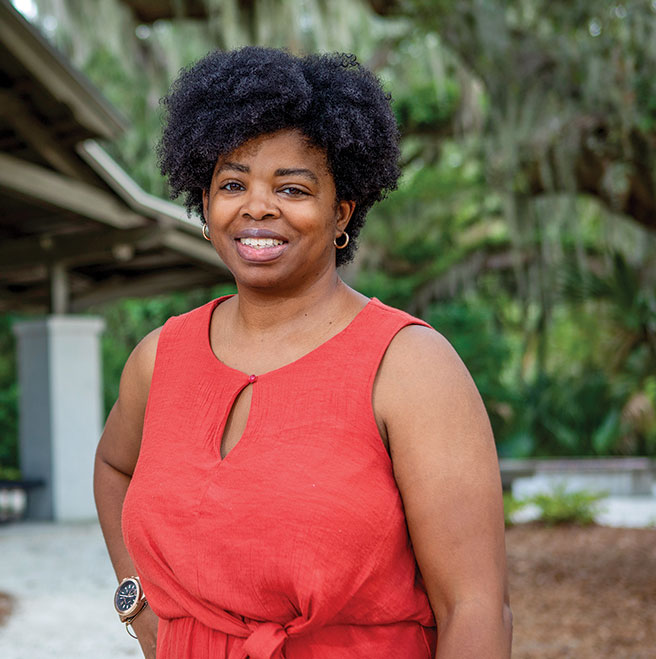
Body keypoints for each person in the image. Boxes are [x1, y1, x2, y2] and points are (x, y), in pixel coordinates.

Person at [93, 47, 512, 659]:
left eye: (292, 188)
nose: (257, 206)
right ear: (205, 207)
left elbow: (473, 607)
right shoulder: (159, 358)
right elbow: (113, 468)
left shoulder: (410, 366)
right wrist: (140, 604)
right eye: (232, 184)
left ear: (340, 213)